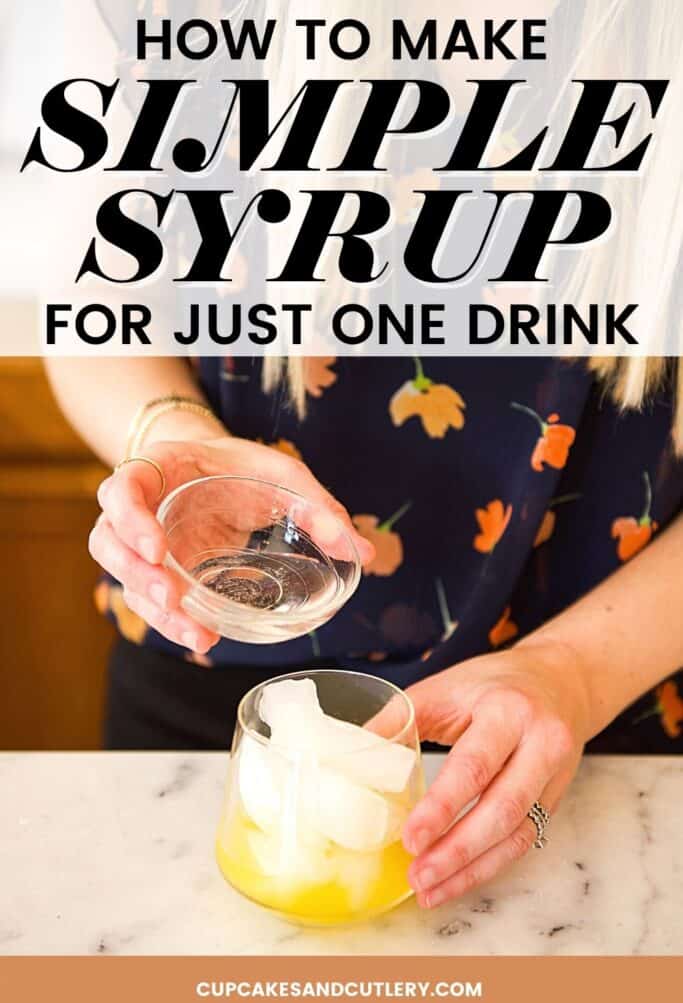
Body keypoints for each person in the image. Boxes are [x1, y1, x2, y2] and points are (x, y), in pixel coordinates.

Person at [45, 0, 683, 911]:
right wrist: (177, 440)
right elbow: (100, 319)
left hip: (597, 718)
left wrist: (573, 675)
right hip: (215, 703)